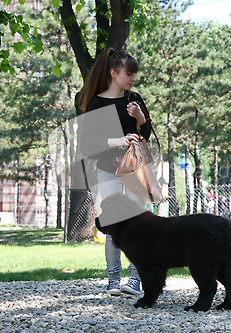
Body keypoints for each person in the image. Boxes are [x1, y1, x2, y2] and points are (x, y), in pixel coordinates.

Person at [77, 48, 151, 296]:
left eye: (134, 74)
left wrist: (140, 117)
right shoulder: (96, 103)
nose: (133, 78)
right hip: (108, 170)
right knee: (113, 222)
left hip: (135, 169)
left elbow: (146, 135)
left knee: (140, 224)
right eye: (129, 73)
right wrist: (117, 140)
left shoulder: (135, 98)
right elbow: (86, 143)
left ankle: (135, 279)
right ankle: (113, 280)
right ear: (113, 73)